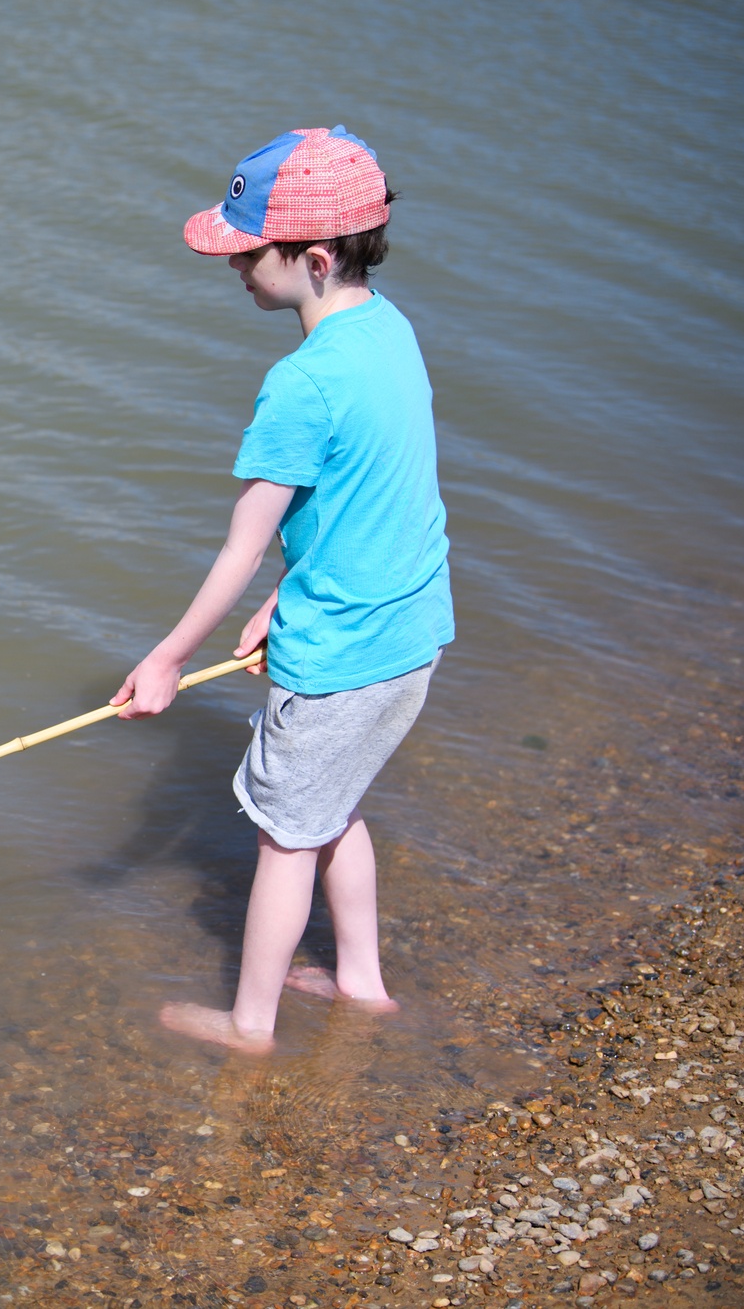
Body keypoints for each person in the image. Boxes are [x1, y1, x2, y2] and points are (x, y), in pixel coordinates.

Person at [109, 126, 453, 1053]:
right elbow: (381, 499)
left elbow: (238, 548)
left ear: (313, 259)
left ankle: (250, 1023)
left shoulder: (300, 385)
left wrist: (167, 660)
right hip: (410, 634)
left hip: (341, 656)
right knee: (334, 808)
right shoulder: (391, 331)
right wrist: (288, 592)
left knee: (285, 836)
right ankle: (361, 982)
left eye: (247, 252)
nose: (234, 266)